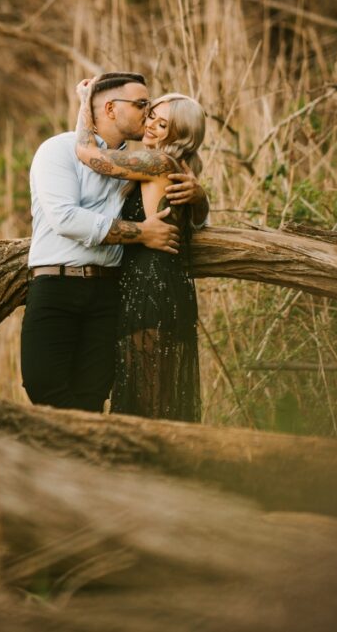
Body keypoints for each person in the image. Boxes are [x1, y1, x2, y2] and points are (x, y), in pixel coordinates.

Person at [20, 72, 209, 414]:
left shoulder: (150, 163)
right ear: (109, 108)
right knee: (45, 386)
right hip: (70, 287)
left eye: (157, 117)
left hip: (130, 290)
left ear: (179, 132)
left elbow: (89, 153)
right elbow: (65, 217)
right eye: (144, 108)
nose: (148, 117)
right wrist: (143, 231)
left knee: (120, 395)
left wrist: (200, 199)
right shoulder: (61, 151)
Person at [75, 81, 208, 421]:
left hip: (151, 288)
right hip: (156, 285)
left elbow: (90, 156)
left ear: (178, 136)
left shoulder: (158, 162)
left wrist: (84, 104)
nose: (149, 124)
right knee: (152, 393)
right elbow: (197, 221)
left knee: (148, 399)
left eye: (162, 124)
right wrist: (202, 198)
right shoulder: (178, 168)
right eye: (151, 115)